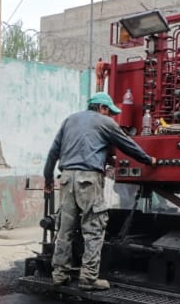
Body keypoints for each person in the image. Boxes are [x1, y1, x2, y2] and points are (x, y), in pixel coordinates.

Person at [44, 91, 155, 290]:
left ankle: (59, 275)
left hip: (67, 178)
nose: (111, 116)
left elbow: (54, 151)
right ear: (102, 108)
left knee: (65, 230)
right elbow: (127, 144)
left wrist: (47, 179)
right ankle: (88, 278)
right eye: (109, 111)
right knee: (93, 228)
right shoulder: (105, 123)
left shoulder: (70, 120)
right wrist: (149, 160)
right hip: (89, 179)